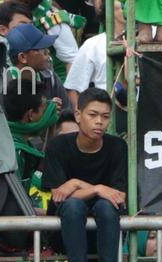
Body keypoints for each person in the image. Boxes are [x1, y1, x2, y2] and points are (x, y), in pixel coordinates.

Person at [40, 87, 125, 262]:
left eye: (105, 116)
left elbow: (118, 196)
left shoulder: (118, 146)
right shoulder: (57, 146)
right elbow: (58, 195)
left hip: (105, 232)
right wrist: (98, 189)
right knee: (73, 205)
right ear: (78, 115)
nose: (99, 122)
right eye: (93, 115)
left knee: (106, 207)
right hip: (65, 234)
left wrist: (75, 185)